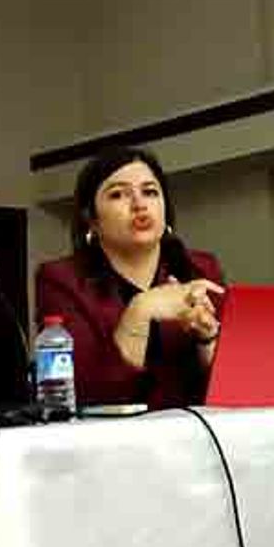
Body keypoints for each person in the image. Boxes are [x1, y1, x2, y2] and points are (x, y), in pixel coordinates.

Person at [35, 147, 225, 409]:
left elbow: (234, 389)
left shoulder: (200, 269)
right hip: (109, 434)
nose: (139, 204)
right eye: (118, 194)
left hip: (193, 430)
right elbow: (84, 395)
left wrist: (208, 338)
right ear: (91, 219)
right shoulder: (61, 280)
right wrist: (141, 309)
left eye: (150, 192)